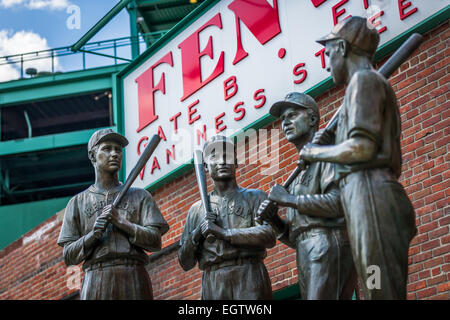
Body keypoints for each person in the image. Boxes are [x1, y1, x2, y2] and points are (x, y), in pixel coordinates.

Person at [299, 16, 416, 299]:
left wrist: (315, 152)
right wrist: (331, 142)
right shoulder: (362, 85)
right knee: (375, 287)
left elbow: (362, 148)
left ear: (341, 47)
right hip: (363, 197)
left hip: (371, 196)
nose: (325, 63)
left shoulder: (363, 81)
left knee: (379, 289)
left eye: (327, 54)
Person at [257, 92, 356, 299]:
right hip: (306, 250)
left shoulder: (328, 152)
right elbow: (296, 235)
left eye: (292, 115)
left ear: (312, 119)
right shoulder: (299, 172)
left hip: (329, 243)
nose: (286, 123)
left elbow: (339, 204)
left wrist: (288, 200)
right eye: (283, 119)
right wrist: (274, 220)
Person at [57, 128, 169, 300]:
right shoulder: (77, 202)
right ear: (93, 156)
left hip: (133, 274)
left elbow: (155, 242)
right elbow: (69, 256)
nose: (114, 154)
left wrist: (123, 223)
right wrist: (93, 235)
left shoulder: (140, 196)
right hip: (96, 277)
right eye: (107, 148)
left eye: (118, 149)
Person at [178, 135, 276, 300]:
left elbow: (269, 236)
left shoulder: (255, 197)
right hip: (214, 280)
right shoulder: (196, 210)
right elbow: (185, 262)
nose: (222, 161)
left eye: (227, 155)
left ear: (236, 162)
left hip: (249, 273)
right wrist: (197, 234)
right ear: (206, 167)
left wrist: (224, 233)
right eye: (214, 156)